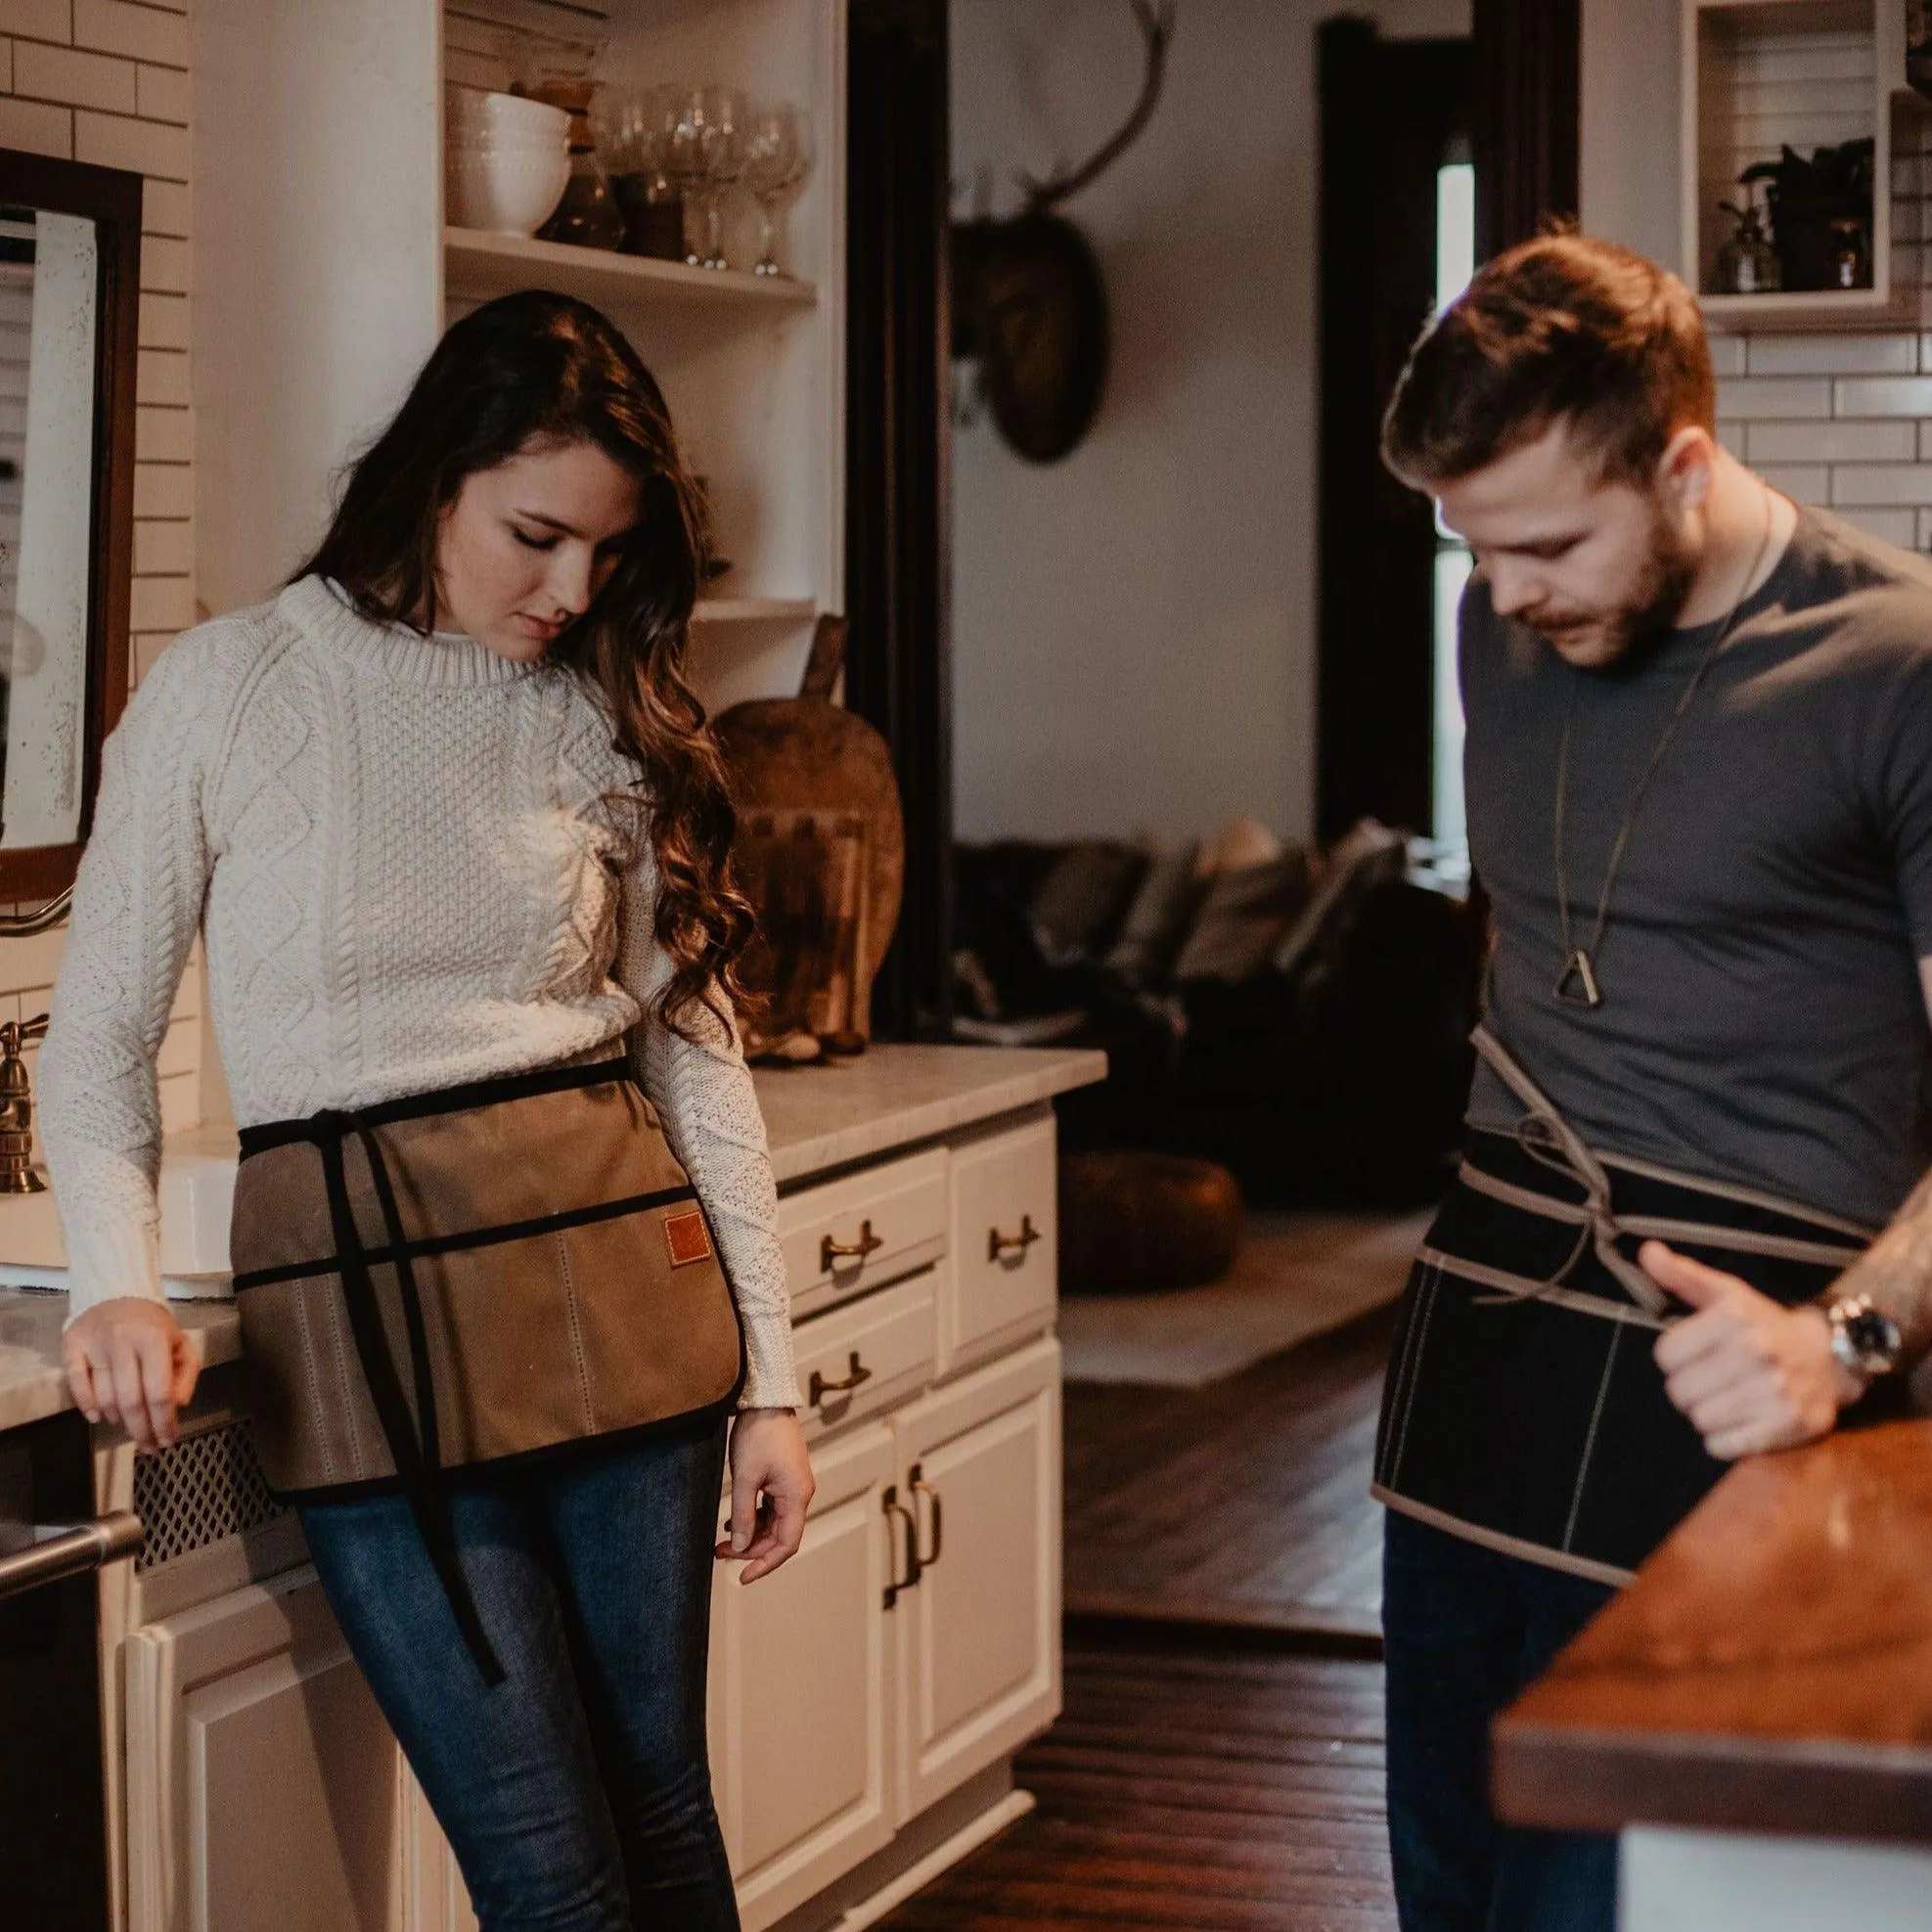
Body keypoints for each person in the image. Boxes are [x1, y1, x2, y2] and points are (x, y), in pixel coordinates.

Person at [42, 289, 812, 1932]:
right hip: (364, 1325)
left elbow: (693, 1049)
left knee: (663, 1820)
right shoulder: (231, 686)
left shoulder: (606, 698)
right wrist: (109, 1274)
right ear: (436, 472)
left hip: (627, 1291)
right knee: (547, 1869)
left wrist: (776, 1382)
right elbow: (96, 1040)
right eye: (536, 535)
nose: (571, 590)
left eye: (606, 553)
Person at [1373, 230, 1932, 1932]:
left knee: (1613, 1906)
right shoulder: (1501, 613)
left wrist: (1846, 1339)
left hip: (1746, 1368)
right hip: (1480, 1340)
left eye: (1547, 539)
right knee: (1451, 1890)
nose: (1510, 591)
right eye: (1475, 544)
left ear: (1678, 462)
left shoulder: (1896, 664)